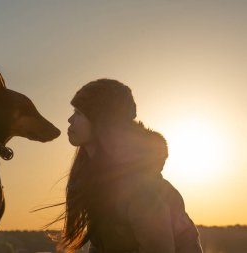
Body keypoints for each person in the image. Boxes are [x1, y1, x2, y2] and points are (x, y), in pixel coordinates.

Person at [59, 79, 203, 253]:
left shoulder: (141, 189)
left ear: (101, 121)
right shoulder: (102, 181)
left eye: (79, 113)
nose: (70, 119)